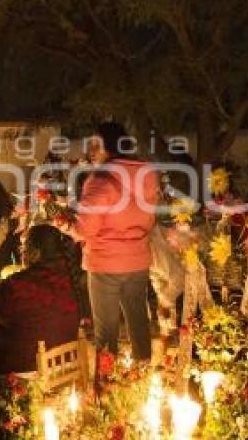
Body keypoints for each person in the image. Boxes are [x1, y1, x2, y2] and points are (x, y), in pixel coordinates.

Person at [70, 122, 159, 360]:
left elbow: (84, 230)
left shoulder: (100, 179)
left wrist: (65, 225)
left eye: (95, 145)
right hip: (137, 260)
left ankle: (107, 389)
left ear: (110, 146)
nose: (90, 152)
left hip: (105, 262)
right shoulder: (147, 174)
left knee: (106, 332)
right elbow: (150, 218)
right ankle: (144, 379)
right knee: (139, 321)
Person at [0, 225, 83, 374]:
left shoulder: (21, 285)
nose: (21, 251)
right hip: (65, 363)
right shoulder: (72, 276)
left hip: (26, 367)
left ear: (36, 253)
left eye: (25, 246)